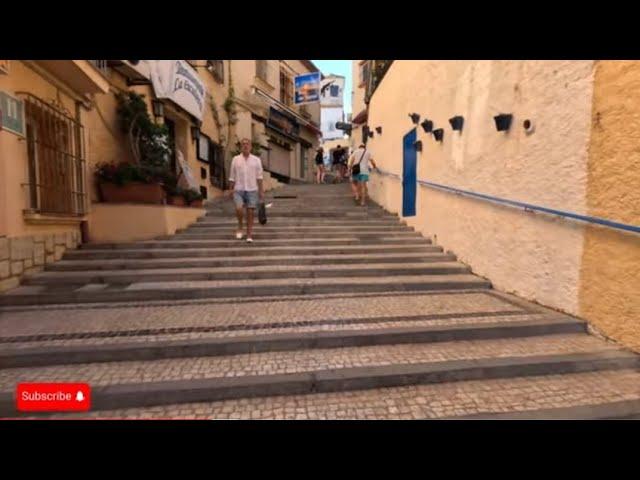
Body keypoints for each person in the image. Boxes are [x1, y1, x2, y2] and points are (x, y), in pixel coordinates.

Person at [225, 138, 265, 243]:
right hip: (238, 189)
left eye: (247, 144)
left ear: (251, 146)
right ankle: (240, 226)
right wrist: (230, 189)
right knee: (239, 208)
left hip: (252, 189)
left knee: (250, 212)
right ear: (240, 147)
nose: (245, 146)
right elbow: (232, 176)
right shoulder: (235, 159)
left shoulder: (256, 160)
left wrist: (261, 191)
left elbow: (259, 177)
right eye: (243, 144)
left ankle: (249, 234)